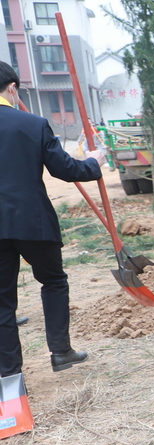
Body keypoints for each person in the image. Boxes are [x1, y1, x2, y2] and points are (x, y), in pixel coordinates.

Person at [0, 61, 105, 379]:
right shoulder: (32, 124)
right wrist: (93, 162)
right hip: (34, 223)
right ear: (12, 88)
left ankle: (9, 377)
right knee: (54, 281)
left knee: (2, 303)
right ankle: (61, 351)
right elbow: (65, 169)